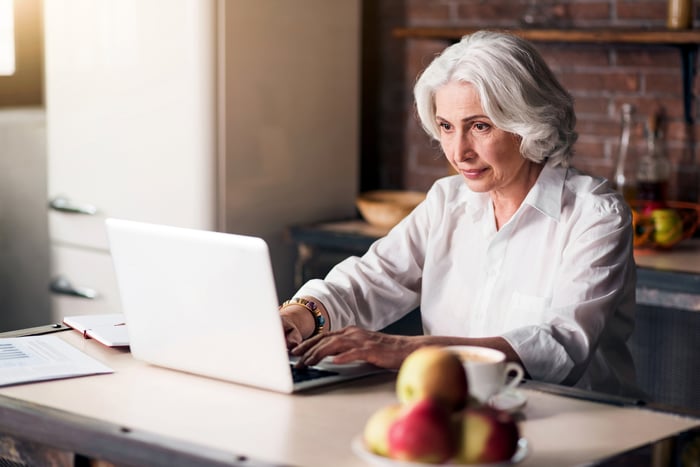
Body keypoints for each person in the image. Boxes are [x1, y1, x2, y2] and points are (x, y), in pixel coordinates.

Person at [279, 30, 638, 396]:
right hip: (455, 412)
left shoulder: (595, 214)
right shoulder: (446, 201)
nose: (458, 152)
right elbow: (372, 279)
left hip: (578, 422)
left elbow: (562, 344)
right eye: (447, 128)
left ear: (527, 123)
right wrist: (299, 316)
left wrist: (406, 350)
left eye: (479, 126)